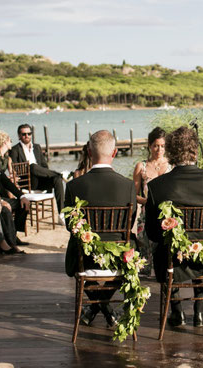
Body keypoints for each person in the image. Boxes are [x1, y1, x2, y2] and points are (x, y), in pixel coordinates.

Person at [145, 126, 203, 327]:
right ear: (195, 151)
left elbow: (152, 232)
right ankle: (200, 312)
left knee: (161, 246)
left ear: (171, 153)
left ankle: (176, 311)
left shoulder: (157, 186)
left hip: (172, 257)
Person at [64, 130, 137, 328]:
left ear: (89, 152)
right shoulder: (128, 186)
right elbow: (129, 224)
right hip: (118, 256)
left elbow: (70, 226)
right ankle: (107, 308)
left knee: (74, 249)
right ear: (114, 153)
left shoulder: (73, 186)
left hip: (84, 256)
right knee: (132, 245)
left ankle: (97, 308)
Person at [132, 127, 172, 276]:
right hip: (146, 213)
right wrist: (148, 202)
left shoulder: (171, 166)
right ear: (149, 145)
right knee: (145, 257)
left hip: (167, 216)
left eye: (162, 146)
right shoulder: (141, 166)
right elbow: (134, 195)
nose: (159, 149)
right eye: (155, 145)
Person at [9, 124, 65, 215]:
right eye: (24, 134)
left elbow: (44, 166)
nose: (27, 136)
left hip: (41, 181)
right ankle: (60, 174)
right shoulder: (15, 150)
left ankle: (62, 214)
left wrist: (43, 173)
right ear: (19, 135)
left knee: (57, 180)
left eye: (29, 133)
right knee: (32, 166)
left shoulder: (37, 147)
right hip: (27, 182)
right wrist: (30, 169)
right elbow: (16, 170)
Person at [0, 137, 30, 245]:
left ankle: (13, 234)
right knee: (5, 209)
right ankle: (9, 240)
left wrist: (21, 196)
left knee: (23, 204)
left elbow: (6, 181)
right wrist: (0, 201)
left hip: (0, 197)